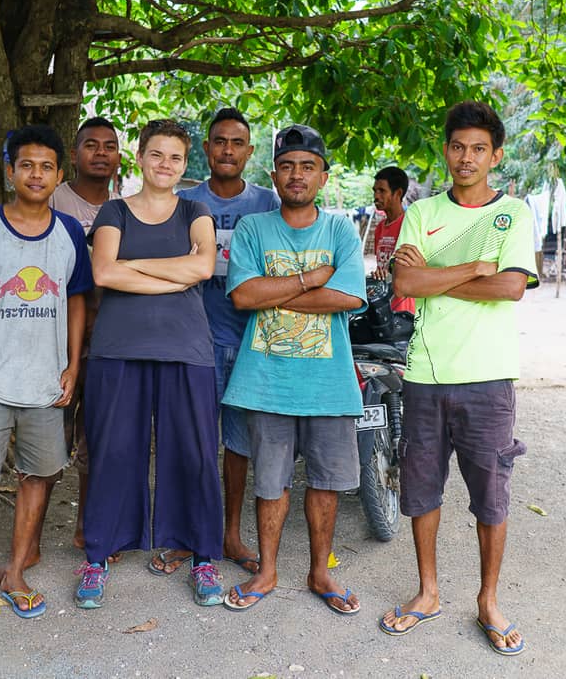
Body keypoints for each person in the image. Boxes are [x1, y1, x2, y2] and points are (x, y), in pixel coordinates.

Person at [378, 101, 537, 656]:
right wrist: (474, 268)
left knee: (491, 493)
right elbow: (404, 280)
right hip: (424, 374)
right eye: (456, 147)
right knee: (421, 489)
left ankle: (488, 600)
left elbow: (512, 288)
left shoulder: (513, 213)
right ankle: (427, 592)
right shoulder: (420, 211)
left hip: (488, 378)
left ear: (495, 155)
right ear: (445, 151)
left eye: (477, 149)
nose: (465, 158)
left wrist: (432, 278)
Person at [0, 124, 92, 634]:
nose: (36, 174)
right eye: (26, 165)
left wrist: (72, 365)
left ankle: (15, 573)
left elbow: (76, 299)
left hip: (45, 385)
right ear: (10, 172)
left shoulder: (71, 233)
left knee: (40, 476)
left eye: (46, 166)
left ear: (58, 175)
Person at [75, 119, 224, 609]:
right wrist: (173, 275)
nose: (166, 165)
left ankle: (202, 554)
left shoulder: (196, 210)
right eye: (157, 154)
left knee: (196, 455)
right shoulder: (114, 211)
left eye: (176, 157)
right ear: (139, 158)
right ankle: (98, 557)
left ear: (186, 164)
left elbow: (202, 267)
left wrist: (134, 269)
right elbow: (102, 272)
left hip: (187, 351)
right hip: (119, 350)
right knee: (114, 453)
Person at [220, 125, 368, 615]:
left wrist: (277, 288)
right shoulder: (253, 230)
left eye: (308, 167)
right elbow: (243, 296)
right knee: (270, 483)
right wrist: (310, 279)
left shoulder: (341, 230)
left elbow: (347, 297)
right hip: (267, 382)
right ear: (274, 174)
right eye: (287, 166)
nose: (297, 175)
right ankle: (267, 571)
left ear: (323, 177)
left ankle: (319, 571)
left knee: (325, 483)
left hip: (329, 385)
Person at [145, 108, 279, 578]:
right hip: (194, 340)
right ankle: (186, 533)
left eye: (237, 142)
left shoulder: (267, 204)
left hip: (250, 342)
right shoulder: (183, 202)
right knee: (192, 440)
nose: (227, 149)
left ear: (249, 150)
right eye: (219, 141)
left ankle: (229, 534)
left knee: (238, 445)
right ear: (206, 149)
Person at [45, 116, 122, 560]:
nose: (100, 152)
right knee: (48, 439)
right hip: (51, 343)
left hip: (106, 342)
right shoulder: (51, 201)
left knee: (99, 441)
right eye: (90, 144)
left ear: (118, 157)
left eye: (109, 146)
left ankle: (87, 528)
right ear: (73, 155)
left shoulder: (126, 209)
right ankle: (29, 536)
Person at [371, 166, 415, 315]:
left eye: (382, 191)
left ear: (398, 193)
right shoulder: (379, 228)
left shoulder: (410, 225)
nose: (376, 196)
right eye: (375, 191)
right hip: (384, 303)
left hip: (405, 306)